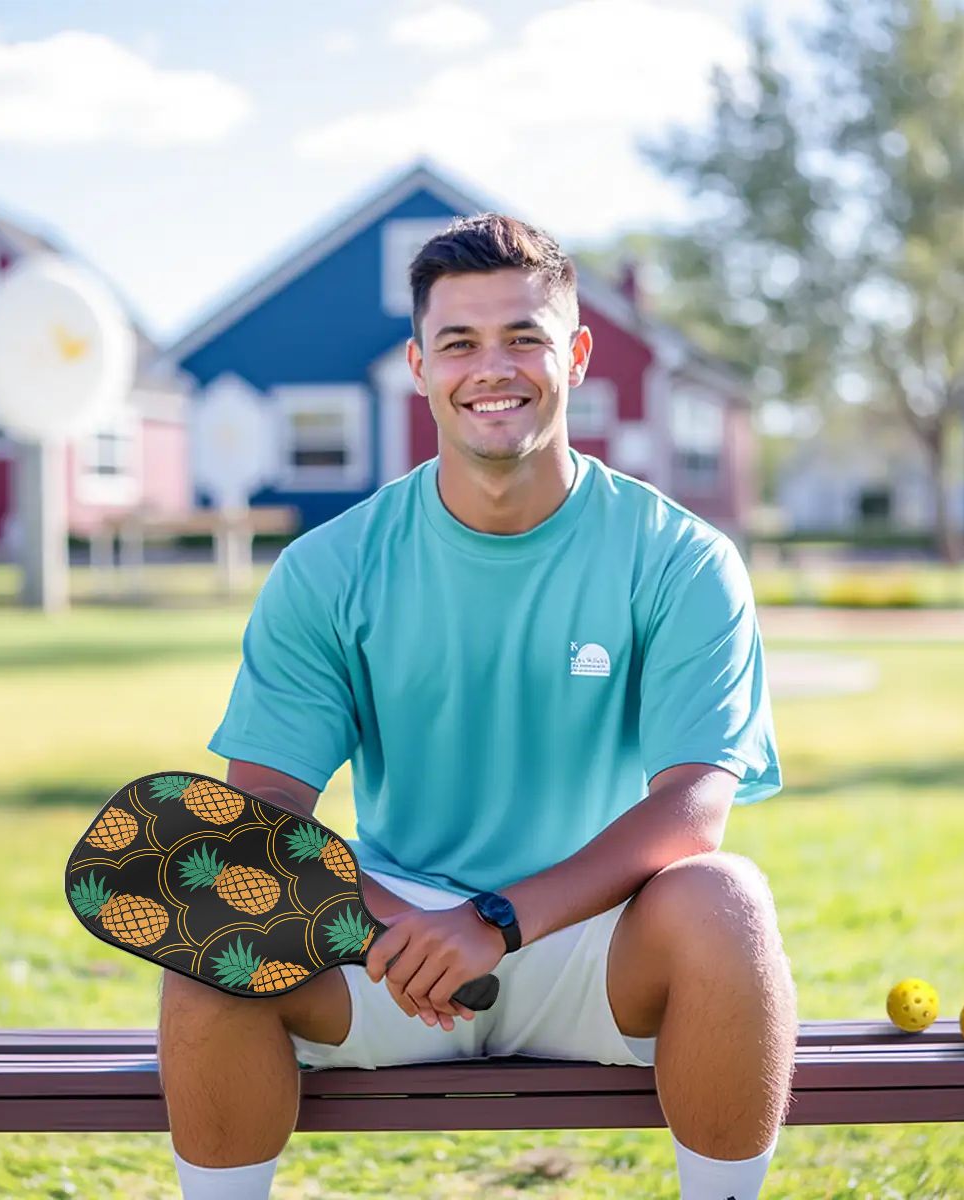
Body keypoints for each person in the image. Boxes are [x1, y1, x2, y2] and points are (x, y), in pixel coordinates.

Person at [158, 213, 798, 1200]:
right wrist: (389, 931)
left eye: (524, 338)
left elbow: (692, 810)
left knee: (729, 902)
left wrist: (494, 922)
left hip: (596, 938)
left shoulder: (681, 559)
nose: (490, 368)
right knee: (214, 907)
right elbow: (264, 818)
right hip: (388, 949)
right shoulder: (330, 569)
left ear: (576, 355)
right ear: (418, 365)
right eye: (459, 342)